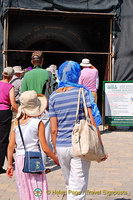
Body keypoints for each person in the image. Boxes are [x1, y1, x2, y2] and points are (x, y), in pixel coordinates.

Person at [49, 61, 107, 200]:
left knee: (70, 184)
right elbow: (92, 120)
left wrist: (56, 151)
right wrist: (100, 145)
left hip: (61, 147)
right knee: (78, 187)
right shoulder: (82, 92)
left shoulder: (53, 97)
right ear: (76, 74)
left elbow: (53, 129)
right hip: (80, 145)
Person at [7, 90, 59, 200]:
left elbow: (11, 146)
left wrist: (9, 165)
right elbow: (45, 148)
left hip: (20, 160)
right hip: (34, 158)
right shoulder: (38, 123)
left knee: (24, 189)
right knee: (37, 188)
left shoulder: (15, 123)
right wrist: (56, 159)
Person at [21, 51, 57, 172]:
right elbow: (53, 92)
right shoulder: (47, 74)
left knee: (31, 139)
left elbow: (23, 94)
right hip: (44, 109)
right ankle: (42, 165)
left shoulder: (26, 75)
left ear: (32, 62)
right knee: (44, 139)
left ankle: (30, 163)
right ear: (42, 61)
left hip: (30, 111)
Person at [0, 67, 18, 174]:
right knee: (3, 139)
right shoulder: (10, 87)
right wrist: (19, 111)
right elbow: (13, 103)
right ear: (11, 77)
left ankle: (10, 158)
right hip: (4, 113)